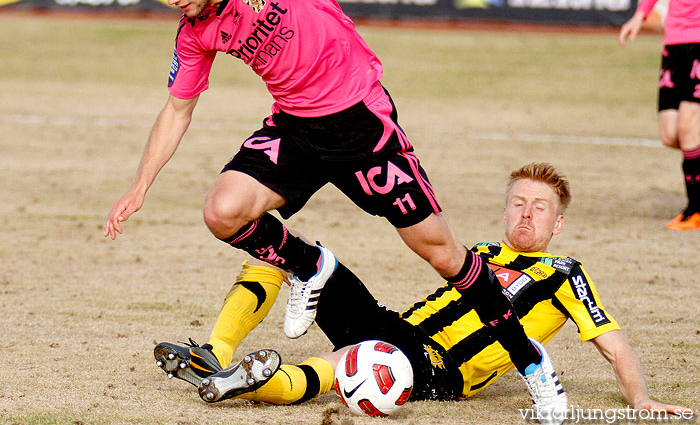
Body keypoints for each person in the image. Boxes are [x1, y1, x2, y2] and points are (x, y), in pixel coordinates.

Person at [103, 0, 554, 398]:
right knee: (224, 210)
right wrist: (140, 185)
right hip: (296, 127)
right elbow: (176, 110)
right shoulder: (193, 31)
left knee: (442, 253)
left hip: (360, 119)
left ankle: (536, 370)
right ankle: (310, 268)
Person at [154, 163, 692, 422]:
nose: (527, 214)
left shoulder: (563, 272)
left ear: (559, 224)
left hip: (439, 368)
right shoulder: (475, 252)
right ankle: (217, 357)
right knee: (283, 254)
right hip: (396, 326)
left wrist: (640, 399)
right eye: (519, 203)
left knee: (350, 362)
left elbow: (613, 341)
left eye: (541, 207)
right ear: (505, 211)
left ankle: (248, 385)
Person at [619, 0, 700, 231]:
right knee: (670, 133)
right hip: (675, 39)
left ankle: (695, 209)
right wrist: (640, 14)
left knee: (689, 127)